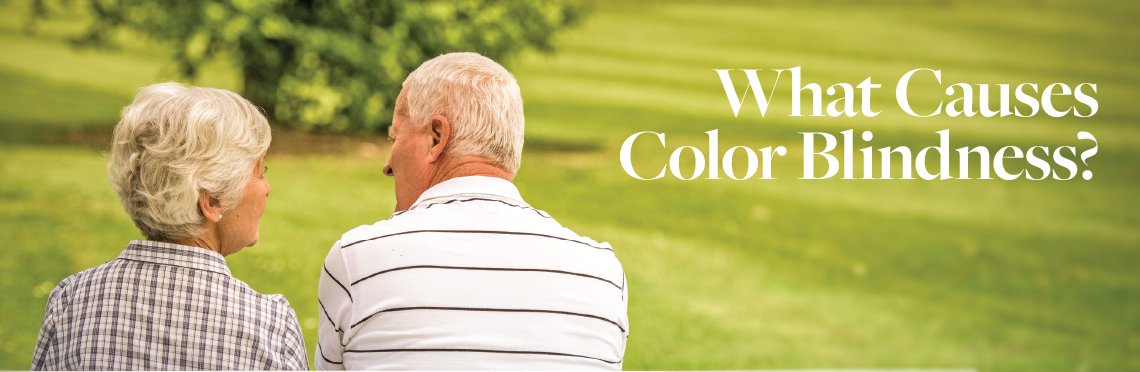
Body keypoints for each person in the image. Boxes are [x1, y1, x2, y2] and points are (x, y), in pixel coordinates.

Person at [315, 53, 629, 370]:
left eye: (396, 136)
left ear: (436, 137)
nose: (387, 165)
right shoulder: (603, 272)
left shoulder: (357, 260)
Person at [30, 82, 309, 370]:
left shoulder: (73, 301)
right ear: (212, 200)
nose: (267, 188)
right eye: (261, 172)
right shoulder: (271, 326)